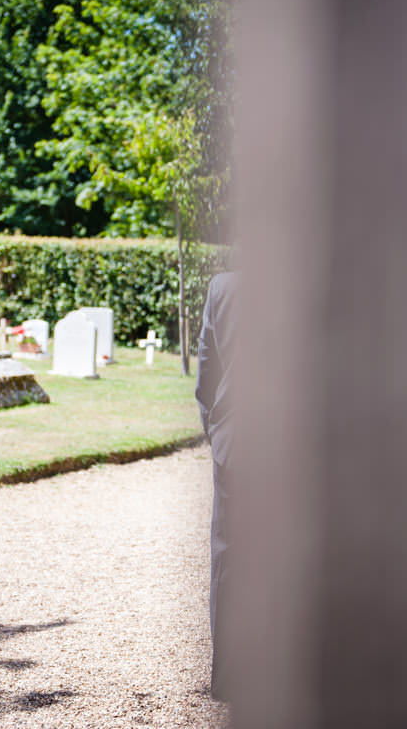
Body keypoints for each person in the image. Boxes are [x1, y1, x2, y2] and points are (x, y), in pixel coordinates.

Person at [195, 270, 236, 701]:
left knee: (230, 554)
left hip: (237, 439)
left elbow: (208, 372)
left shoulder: (223, 287)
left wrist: (217, 430)